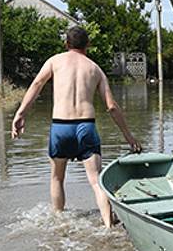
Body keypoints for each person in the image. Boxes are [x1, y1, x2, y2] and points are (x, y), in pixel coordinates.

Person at [12, 26, 142, 227]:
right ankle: (108, 226)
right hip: (85, 126)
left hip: (60, 127)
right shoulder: (94, 69)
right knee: (96, 182)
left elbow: (36, 85)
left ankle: (59, 223)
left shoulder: (54, 61)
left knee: (56, 178)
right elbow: (111, 106)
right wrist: (129, 137)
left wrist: (20, 113)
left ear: (66, 44)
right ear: (88, 45)